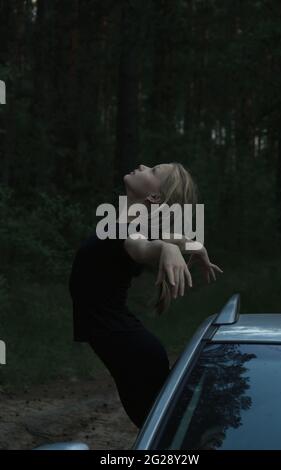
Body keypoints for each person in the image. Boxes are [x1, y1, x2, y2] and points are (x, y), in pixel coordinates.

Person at [69, 162, 223, 429]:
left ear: (153, 197)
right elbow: (158, 235)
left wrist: (167, 249)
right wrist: (191, 245)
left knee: (165, 435)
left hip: (134, 352)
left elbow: (143, 247)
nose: (143, 166)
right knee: (165, 432)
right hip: (131, 347)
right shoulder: (123, 225)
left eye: (153, 171)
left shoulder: (130, 234)